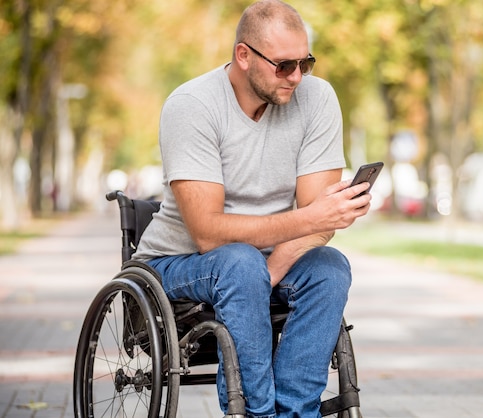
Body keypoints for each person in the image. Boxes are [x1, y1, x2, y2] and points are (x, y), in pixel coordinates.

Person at [133, 1, 372, 416]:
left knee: (329, 267)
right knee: (239, 263)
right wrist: (308, 221)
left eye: (305, 62)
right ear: (244, 56)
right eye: (283, 65)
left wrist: (270, 273)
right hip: (179, 263)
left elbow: (320, 222)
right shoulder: (193, 105)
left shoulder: (317, 99)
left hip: (258, 263)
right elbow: (208, 233)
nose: (297, 76)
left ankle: (295, 412)